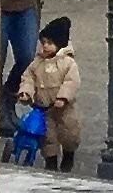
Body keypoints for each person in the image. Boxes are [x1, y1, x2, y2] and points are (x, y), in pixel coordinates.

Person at [19, 14, 85, 171]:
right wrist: (26, 92)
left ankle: (69, 154)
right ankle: (51, 162)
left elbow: (71, 82)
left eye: (49, 43)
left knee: (70, 134)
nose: (45, 47)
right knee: (48, 138)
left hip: (64, 109)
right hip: (44, 108)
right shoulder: (37, 63)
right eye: (43, 43)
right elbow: (28, 78)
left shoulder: (68, 63)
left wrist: (63, 97)